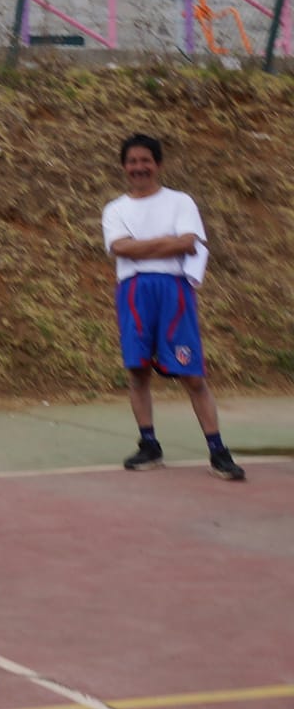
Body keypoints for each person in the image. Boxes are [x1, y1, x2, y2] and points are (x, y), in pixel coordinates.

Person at [102, 134, 243, 480]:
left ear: (158, 164)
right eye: (132, 161)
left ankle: (217, 451)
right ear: (124, 167)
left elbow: (188, 242)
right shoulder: (115, 209)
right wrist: (169, 244)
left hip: (173, 292)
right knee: (137, 372)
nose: (139, 167)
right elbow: (121, 248)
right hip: (134, 293)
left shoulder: (181, 202)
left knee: (192, 374)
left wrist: (145, 246)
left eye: (145, 160)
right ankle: (149, 445)